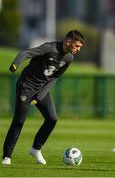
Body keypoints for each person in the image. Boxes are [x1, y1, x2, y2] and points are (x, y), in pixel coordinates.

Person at [2, 30, 85, 165]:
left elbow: (55, 77)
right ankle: (7, 156)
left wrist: (40, 95)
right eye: (77, 46)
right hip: (26, 86)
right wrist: (15, 64)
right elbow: (25, 53)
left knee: (52, 119)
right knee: (19, 121)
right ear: (68, 42)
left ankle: (36, 149)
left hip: (42, 89)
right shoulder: (49, 48)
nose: (78, 49)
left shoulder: (69, 58)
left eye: (80, 47)